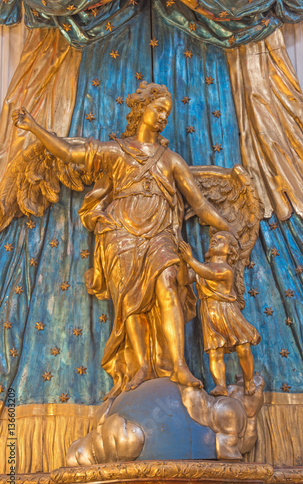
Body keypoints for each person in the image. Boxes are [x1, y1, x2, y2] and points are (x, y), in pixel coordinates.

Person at [12, 82, 237, 399]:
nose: (162, 118)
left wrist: (228, 229)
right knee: (129, 301)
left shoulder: (171, 160)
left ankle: (179, 364)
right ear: (141, 109)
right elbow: (70, 153)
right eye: (158, 110)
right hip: (120, 232)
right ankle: (141, 366)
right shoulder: (116, 151)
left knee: (169, 282)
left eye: (166, 114)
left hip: (159, 231)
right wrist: (33, 126)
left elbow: (200, 205)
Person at [178, 232, 260, 396]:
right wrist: (182, 261)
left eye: (220, 239)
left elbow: (211, 275)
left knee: (243, 347)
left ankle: (249, 380)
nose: (214, 240)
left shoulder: (226, 270)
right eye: (212, 239)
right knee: (215, 351)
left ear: (230, 251)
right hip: (209, 313)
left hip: (228, 312)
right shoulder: (202, 267)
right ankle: (220, 386)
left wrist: (190, 260)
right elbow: (183, 280)